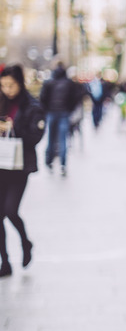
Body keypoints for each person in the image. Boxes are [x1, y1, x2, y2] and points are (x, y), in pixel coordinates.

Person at [0, 64, 45, 277]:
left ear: (20, 83)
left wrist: (13, 129)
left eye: (10, 85)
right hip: (0, 165)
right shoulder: (0, 102)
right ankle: (5, 262)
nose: (6, 89)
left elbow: (36, 138)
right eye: (3, 85)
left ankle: (25, 243)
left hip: (19, 167)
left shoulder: (31, 106)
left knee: (10, 210)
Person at [39, 62, 79, 176]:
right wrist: (69, 109)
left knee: (51, 138)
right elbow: (76, 97)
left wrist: (46, 109)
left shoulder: (49, 82)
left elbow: (43, 98)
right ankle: (62, 164)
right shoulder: (69, 83)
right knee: (62, 139)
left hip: (52, 112)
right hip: (63, 113)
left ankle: (49, 160)